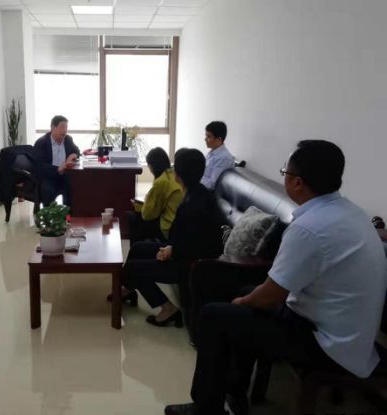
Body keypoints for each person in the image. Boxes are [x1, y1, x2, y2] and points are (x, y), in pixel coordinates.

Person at [165, 140, 387, 415]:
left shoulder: (308, 228)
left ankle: (206, 408)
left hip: (326, 344)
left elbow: (270, 297)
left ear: (297, 182)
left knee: (214, 316)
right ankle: (235, 389)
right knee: (243, 299)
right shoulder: (351, 213)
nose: (284, 178)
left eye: (285, 172)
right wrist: (246, 300)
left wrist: (241, 303)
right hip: (349, 332)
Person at [120, 148, 225, 326]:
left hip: (191, 264)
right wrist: (171, 248)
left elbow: (192, 245)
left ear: (178, 175)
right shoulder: (199, 192)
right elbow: (190, 238)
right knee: (138, 249)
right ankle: (128, 289)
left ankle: (168, 308)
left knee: (133, 268)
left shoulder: (190, 207)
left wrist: (170, 252)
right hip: (186, 252)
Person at [127, 147, 184, 245]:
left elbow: (148, 215)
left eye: (149, 166)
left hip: (168, 227)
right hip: (178, 224)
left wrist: (138, 206)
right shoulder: (173, 174)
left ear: (153, 166)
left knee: (131, 216)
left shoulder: (161, 181)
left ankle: (138, 247)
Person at [32, 115, 80, 207]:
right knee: (48, 191)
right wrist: (57, 169)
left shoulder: (68, 140)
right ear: (53, 128)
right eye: (62, 127)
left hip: (64, 176)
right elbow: (39, 166)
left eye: (66, 127)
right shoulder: (41, 143)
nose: (65, 130)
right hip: (49, 177)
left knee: (74, 187)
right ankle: (50, 215)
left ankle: (69, 214)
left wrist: (71, 157)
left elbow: (77, 151)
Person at [200, 121, 235, 190]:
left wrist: (194, 180)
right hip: (201, 185)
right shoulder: (212, 152)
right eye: (206, 136)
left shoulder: (224, 158)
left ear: (219, 139)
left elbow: (211, 184)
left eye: (208, 137)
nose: (205, 139)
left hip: (208, 192)